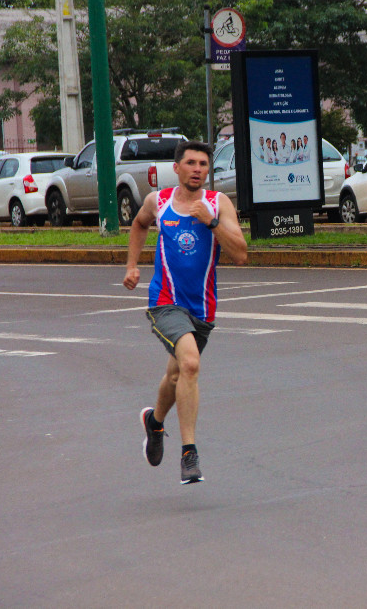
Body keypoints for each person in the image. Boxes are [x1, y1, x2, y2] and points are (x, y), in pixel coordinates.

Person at [123, 140, 248, 483]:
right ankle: (189, 455)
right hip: (165, 302)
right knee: (191, 362)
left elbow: (241, 253)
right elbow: (138, 224)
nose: (197, 169)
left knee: (178, 375)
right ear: (176, 168)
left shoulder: (217, 204)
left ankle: (154, 422)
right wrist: (132, 266)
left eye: (203, 164)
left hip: (202, 308)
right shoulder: (159, 202)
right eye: (191, 163)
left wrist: (211, 223)